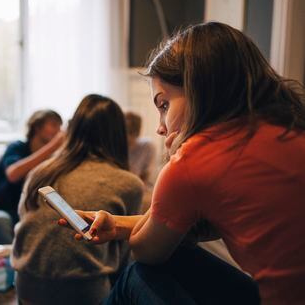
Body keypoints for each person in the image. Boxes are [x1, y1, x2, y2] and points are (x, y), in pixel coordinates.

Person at [60, 22, 305, 304]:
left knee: (135, 276)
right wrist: (115, 225)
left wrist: (176, 161)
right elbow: (195, 227)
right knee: (180, 252)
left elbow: (146, 251)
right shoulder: (286, 127)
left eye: (163, 105)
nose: (161, 127)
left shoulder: (196, 158)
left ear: (199, 90)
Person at [11, 94, 143, 305]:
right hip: (82, 291)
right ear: (118, 134)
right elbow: (124, 258)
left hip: (27, 285)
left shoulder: (40, 171)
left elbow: (22, 222)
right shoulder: (129, 183)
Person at [0, 110, 63, 246]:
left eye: (60, 126)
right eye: (54, 124)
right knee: (0, 221)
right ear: (37, 126)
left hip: (22, 218)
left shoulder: (53, 159)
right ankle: (10, 266)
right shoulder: (16, 147)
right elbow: (13, 174)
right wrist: (53, 146)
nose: (59, 131)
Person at [124, 111, 157, 188]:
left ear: (137, 132)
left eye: (130, 132)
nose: (127, 137)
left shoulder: (147, 146)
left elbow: (146, 176)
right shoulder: (115, 147)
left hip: (138, 186)